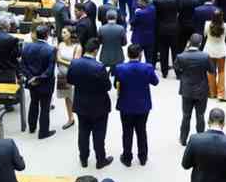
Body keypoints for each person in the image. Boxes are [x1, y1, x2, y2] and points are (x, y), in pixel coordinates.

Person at [67, 38, 114, 169]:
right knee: (99, 134)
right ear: (96, 50)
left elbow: (70, 80)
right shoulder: (100, 67)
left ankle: (83, 158)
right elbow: (108, 87)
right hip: (99, 106)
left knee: (83, 132)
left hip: (81, 104)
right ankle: (100, 160)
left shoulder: (74, 63)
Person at [114, 44, 159, 167]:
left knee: (127, 131)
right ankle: (143, 157)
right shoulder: (147, 67)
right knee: (141, 131)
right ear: (140, 55)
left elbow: (115, 85)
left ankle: (127, 157)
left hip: (125, 105)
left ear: (128, 54)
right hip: (143, 105)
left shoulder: (120, 68)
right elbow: (155, 82)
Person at [175, 34, 216, 146]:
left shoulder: (181, 56)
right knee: (200, 115)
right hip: (201, 90)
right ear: (200, 43)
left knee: (186, 115)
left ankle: (183, 139)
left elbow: (177, 71)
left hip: (186, 90)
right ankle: (200, 140)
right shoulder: (205, 56)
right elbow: (212, 71)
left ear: (189, 42)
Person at [20, 25, 57, 139]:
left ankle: (32, 127)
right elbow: (50, 71)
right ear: (47, 35)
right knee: (45, 107)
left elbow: (22, 65)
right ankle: (43, 132)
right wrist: (39, 78)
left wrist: (31, 78)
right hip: (45, 83)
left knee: (34, 103)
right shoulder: (51, 49)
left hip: (32, 83)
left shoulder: (27, 47)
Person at [56, 26, 81, 130]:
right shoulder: (60, 45)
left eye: (65, 33)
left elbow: (75, 64)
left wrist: (61, 60)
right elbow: (56, 59)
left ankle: (81, 119)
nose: (62, 35)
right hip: (62, 76)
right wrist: (63, 62)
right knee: (67, 97)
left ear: (71, 34)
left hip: (74, 76)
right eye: (62, 32)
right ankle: (70, 118)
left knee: (76, 97)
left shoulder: (77, 47)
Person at [154, 0, 180, 77]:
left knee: (163, 51)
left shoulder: (157, 1)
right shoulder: (176, 0)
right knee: (175, 51)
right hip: (174, 28)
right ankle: (177, 72)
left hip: (162, 29)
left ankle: (164, 72)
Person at [203, 9, 226, 102]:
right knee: (221, 72)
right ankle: (221, 93)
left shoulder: (207, 24)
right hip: (221, 51)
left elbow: (205, 35)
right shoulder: (225, 26)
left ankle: (212, 92)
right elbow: (225, 35)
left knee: (211, 72)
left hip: (209, 50)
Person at [131, 0, 156, 66]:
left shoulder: (139, 13)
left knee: (137, 57)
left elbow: (132, 23)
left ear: (143, 2)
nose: (137, 2)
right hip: (150, 38)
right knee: (149, 58)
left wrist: (136, 12)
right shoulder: (153, 9)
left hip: (139, 38)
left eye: (139, 1)